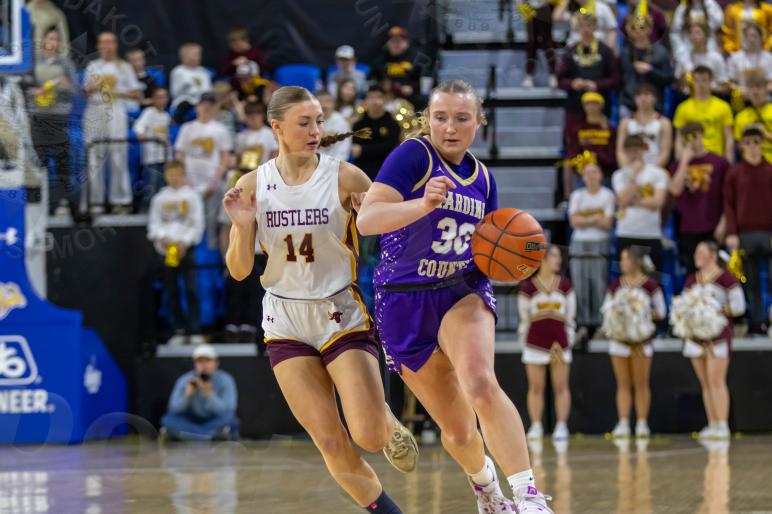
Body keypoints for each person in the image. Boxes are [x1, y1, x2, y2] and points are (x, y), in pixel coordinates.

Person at [358, 79, 553, 513]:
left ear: (478, 122)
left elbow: (490, 246)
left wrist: (515, 261)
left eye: (462, 118)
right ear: (428, 120)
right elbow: (367, 220)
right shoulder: (413, 156)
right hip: (402, 301)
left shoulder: (483, 179)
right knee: (460, 431)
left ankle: (528, 496)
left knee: (481, 384)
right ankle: (487, 489)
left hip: (460, 289)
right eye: (440, 117)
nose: (450, 127)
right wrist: (421, 205)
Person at [222, 85, 418, 514]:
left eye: (319, 122)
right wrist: (241, 226)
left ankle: (384, 419)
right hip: (284, 317)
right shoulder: (253, 184)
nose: (315, 131)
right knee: (329, 440)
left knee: (369, 437)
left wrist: (376, 216)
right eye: (304, 123)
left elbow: (392, 235)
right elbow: (238, 270)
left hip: (338, 310)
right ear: (277, 127)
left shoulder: (346, 177)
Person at [682, 241, 746, 439]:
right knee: (705, 383)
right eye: (696, 252)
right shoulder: (692, 279)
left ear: (713, 255)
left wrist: (714, 309)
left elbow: (739, 307)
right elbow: (684, 304)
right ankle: (712, 423)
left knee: (716, 381)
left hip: (718, 336)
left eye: (701, 252)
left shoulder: (726, 278)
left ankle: (722, 425)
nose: (696, 255)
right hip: (696, 336)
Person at [604, 246, 666, 439]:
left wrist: (640, 312)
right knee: (622, 384)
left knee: (641, 383)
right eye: (621, 259)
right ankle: (623, 423)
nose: (622, 263)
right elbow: (606, 309)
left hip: (641, 342)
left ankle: (641, 424)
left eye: (626, 259)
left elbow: (662, 311)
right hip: (619, 341)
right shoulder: (615, 285)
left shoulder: (650, 285)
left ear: (637, 261)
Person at [518, 245, 576, 442]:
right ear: (542, 259)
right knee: (535, 387)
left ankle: (562, 426)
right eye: (554, 256)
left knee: (561, 386)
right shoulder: (528, 287)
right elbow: (524, 319)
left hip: (560, 344)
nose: (558, 260)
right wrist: (524, 344)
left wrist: (567, 341)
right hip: (535, 343)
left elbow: (570, 317)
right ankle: (535, 425)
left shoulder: (565, 285)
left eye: (559, 256)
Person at [82, 31, 141, 215]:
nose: (107, 46)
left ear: (115, 45)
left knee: (118, 153)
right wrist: (94, 87)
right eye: (103, 42)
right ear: (98, 46)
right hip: (95, 109)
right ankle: (96, 202)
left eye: (110, 42)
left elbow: (135, 93)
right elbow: (85, 92)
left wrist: (113, 91)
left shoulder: (124, 67)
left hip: (115, 109)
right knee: (95, 155)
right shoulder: (93, 66)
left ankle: (120, 201)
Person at [147, 160, 205, 346]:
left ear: (183, 174)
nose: (173, 178)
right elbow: (153, 224)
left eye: (177, 174)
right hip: (168, 250)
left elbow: (198, 223)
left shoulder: (192, 196)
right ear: (165, 176)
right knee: (172, 289)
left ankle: (194, 329)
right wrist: (161, 238)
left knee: (191, 289)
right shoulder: (159, 198)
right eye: (170, 174)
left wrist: (185, 241)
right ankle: (178, 329)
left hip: (185, 249)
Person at [24, 27, 78, 218]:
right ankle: (37, 203)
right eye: (49, 38)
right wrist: (35, 91)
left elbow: (75, 90)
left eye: (56, 39)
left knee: (63, 161)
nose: (52, 42)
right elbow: (24, 86)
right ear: (43, 40)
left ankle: (63, 202)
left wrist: (66, 86)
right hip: (38, 117)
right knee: (39, 161)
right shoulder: (33, 62)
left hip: (58, 118)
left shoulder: (66, 63)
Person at [557, 8, 620, 171]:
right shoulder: (570, 51)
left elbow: (615, 79)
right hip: (575, 106)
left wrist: (597, 85)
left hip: (600, 107)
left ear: (595, 27)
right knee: (572, 146)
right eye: (582, 25)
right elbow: (560, 79)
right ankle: (571, 184)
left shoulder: (605, 51)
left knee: (601, 145)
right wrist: (573, 83)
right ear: (577, 27)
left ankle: (603, 177)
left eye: (589, 25)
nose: (585, 29)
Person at [724, 126, 772, 335]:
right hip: (745, 233)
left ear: (762, 144)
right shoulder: (734, 173)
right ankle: (756, 322)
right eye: (748, 143)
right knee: (750, 281)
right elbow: (728, 204)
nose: (752, 147)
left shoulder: (770, 170)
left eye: (756, 142)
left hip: (768, 233)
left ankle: (770, 319)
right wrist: (731, 232)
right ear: (741, 145)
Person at [668, 122, 729, 274]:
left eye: (695, 136)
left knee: (716, 270)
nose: (692, 141)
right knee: (693, 272)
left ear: (702, 135)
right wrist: (684, 161)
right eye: (687, 138)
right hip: (689, 226)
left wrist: (724, 222)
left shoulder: (720, 162)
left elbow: (729, 197)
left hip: (714, 225)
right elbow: (675, 190)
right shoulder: (678, 165)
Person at [174, 93, 233, 248]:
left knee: (211, 222)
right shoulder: (187, 128)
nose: (207, 108)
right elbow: (179, 155)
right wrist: (183, 178)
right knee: (188, 220)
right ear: (197, 106)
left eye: (210, 105)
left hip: (211, 184)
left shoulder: (220, 130)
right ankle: (190, 252)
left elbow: (225, 157)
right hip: (189, 183)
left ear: (215, 108)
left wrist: (215, 181)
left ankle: (210, 254)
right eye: (204, 104)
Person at [568, 155, 615, 343]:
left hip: (600, 243)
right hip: (579, 243)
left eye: (595, 172)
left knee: (598, 283)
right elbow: (574, 222)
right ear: (583, 176)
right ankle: (582, 325)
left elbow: (607, 223)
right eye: (587, 173)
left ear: (601, 175)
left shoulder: (607, 195)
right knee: (580, 284)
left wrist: (585, 219)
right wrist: (595, 219)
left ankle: (599, 325)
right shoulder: (577, 195)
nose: (591, 176)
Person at [161, 344, 240, 441]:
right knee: (169, 419)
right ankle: (209, 436)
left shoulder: (225, 380)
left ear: (216, 363)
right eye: (200, 361)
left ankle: (190, 436)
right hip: (191, 420)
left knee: (230, 419)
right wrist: (187, 396)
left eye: (208, 361)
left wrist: (209, 395)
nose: (204, 365)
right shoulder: (185, 380)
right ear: (195, 364)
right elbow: (174, 409)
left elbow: (228, 410)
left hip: (214, 420)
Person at [612, 135, 668, 270]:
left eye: (637, 150)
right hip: (626, 233)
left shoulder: (658, 173)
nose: (634, 154)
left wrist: (632, 201)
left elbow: (658, 202)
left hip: (651, 234)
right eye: (630, 151)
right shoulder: (619, 175)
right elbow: (622, 201)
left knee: (653, 277)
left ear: (643, 150)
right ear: (625, 153)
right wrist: (633, 177)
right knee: (626, 278)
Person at [618, 3, 674, 118]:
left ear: (649, 29)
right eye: (634, 28)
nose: (638, 31)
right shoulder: (625, 53)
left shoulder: (660, 52)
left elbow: (668, 78)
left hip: (655, 104)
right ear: (629, 30)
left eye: (642, 27)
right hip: (629, 103)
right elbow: (619, 79)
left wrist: (650, 70)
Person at [673, 66, 734, 161]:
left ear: (710, 82)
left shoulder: (723, 107)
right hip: (692, 158)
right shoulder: (683, 108)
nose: (700, 84)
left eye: (704, 80)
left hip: (716, 157)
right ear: (692, 82)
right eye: (697, 80)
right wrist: (680, 160)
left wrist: (728, 162)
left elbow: (729, 138)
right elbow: (679, 138)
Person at [564, 91, 616, 195]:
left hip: (605, 170)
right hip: (582, 171)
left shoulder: (610, 128)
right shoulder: (577, 128)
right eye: (588, 104)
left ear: (601, 106)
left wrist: (598, 156)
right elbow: (572, 152)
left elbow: (613, 153)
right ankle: (568, 197)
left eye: (594, 103)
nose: (591, 107)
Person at [370, 26, 429, 108]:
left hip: (410, 97)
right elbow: (374, 78)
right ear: (387, 43)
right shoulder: (381, 59)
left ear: (406, 43)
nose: (395, 45)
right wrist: (382, 86)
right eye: (392, 41)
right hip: (387, 96)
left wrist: (412, 88)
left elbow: (424, 80)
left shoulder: (415, 58)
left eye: (399, 41)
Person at [616, 83, 673, 169]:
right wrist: (627, 170)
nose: (643, 99)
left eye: (646, 94)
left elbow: (665, 154)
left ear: (655, 98)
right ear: (635, 99)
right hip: (631, 168)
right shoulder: (625, 123)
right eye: (639, 95)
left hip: (655, 168)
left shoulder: (664, 122)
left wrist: (650, 172)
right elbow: (620, 151)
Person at [133, 87, 171, 212]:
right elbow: (138, 126)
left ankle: (159, 210)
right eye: (159, 97)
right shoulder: (149, 112)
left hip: (163, 155)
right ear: (153, 99)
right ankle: (147, 208)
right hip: (151, 156)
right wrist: (141, 133)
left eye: (164, 97)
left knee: (162, 184)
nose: (162, 100)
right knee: (152, 184)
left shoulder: (166, 115)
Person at [352, 85, 401, 181]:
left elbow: (389, 148)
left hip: (386, 170)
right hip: (362, 171)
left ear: (385, 99)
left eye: (378, 97)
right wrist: (376, 148)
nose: (375, 101)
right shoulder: (359, 124)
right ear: (366, 100)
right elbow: (356, 151)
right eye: (371, 97)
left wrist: (364, 150)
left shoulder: (392, 124)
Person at [674, 22, 729, 95]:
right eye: (691, 33)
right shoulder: (683, 58)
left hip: (712, 95)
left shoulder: (716, 58)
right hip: (688, 97)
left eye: (698, 33)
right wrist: (682, 78)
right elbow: (678, 87)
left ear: (706, 35)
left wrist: (707, 88)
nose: (694, 36)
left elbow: (725, 87)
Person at [670, 0, 724, 68]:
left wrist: (707, 2)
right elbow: (675, 35)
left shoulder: (710, 5)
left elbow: (719, 22)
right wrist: (681, 55)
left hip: (709, 53)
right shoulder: (682, 9)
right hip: (687, 56)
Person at [733, 70, 772, 163]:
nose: (755, 92)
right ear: (747, 92)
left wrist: (765, 134)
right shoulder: (740, 117)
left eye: (758, 87)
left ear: (765, 90)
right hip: (750, 165)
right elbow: (739, 146)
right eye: (751, 88)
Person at [517, 0, 558, 88]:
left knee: (548, 42)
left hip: (544, 6)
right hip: (529, 7)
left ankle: (553, 74)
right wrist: (520, 5)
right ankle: (529, 75)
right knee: (531, 43)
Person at [170, 43, 213, 124]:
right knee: (185, 104)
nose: (199, 57)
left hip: (202, 101)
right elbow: (175, 93)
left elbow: (207, 89)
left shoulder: (203, 71)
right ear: (185, 57)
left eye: (199, 55)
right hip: (184, 102)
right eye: (195, 55)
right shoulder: (178, 71)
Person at [726, 23, 772, 90]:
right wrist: (741, 90)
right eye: (747, 36)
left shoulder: (769, 58)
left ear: (761, 38)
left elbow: (770, 82)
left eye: (754, 36)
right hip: (741, 94)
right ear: (743, 38)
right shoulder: (735, 58)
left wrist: (761, 92)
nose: (751, 40)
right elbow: (730, 83)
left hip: (764, 94)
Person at [316, 91, 352, 161]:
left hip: (336, 163)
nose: (324, 105)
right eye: (320, 101)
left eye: (327, 101)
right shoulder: (309, 122)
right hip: (314, 163)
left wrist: (333, 164)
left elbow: (344, 148)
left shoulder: (342, 122)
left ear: (333, 104)